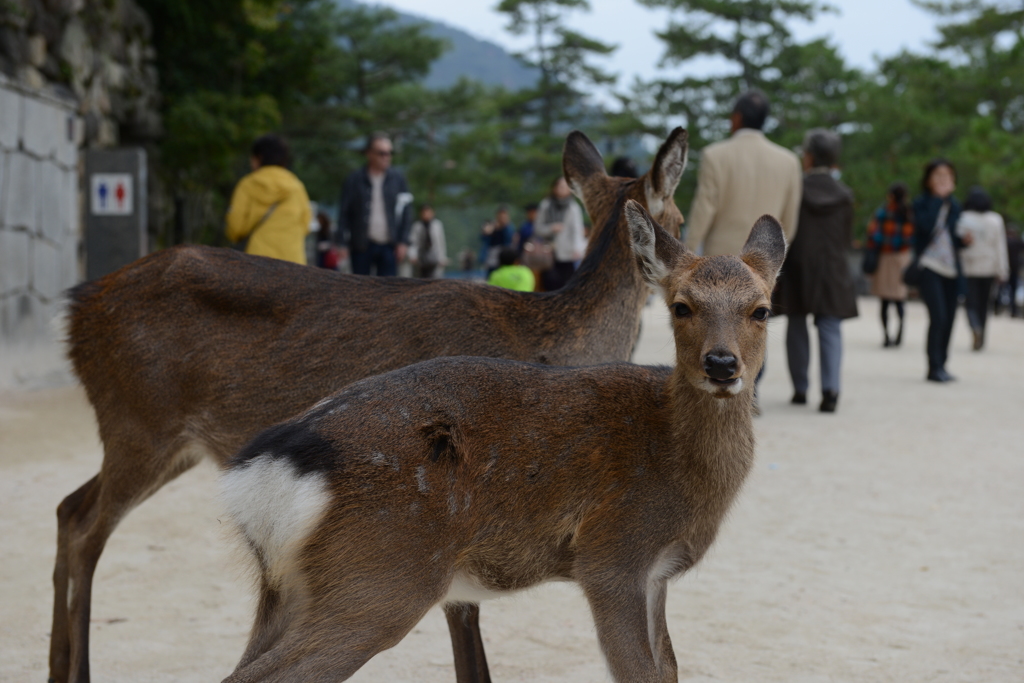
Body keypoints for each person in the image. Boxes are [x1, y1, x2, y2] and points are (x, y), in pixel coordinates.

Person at [777, 129, 858, 413]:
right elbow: (845, 238)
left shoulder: (797, 189)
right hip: (832, 267)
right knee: (830, 327)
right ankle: (830, 390)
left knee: (796, 323)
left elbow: (786, 226)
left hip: (799, 264)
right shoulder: (845, 195)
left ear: (808, 157)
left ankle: (800, 388)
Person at [685, 89, 802, 256]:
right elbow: (788, 226)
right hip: (763, 266)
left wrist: (688, 251)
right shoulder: (789, 162)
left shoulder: (715, 155)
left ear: (737, 117)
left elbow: (703, 211)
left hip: (720, 261)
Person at [912, 158, 972, 383]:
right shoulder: (921, 203)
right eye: (938, 176)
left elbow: (954, 240)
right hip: (929, 265)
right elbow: (924, 228)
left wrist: (965, 240)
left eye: (947, 176)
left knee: (949, 318)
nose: (943, 180)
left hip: (952, 269)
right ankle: (933, 366)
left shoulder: (955, 205)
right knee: (938, 317)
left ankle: (943, 364)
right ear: (928, 180)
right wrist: (938, 200)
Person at [336, 132, 413, 276]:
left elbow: (406, 212)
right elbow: (344, 212)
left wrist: (403, 241)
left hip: (390, 245)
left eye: (389, 153)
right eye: (381, 153)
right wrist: (342, 243)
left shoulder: (398, 179)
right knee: (360, 289)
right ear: (369, 154)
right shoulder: (354, 180)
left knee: (389, 290)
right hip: (361, 244)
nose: (386, 157)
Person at [226, 134, 312, 265]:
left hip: (257, 262)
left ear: (259, 158)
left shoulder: (248, 184)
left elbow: (235, 229)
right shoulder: (296, 186)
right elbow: (306, 225)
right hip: (293, 265)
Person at [957, 187, 1009, 350]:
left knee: (970, 303)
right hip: (988, 267)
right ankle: (982, 335)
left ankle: (974, 326)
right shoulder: (995, 220)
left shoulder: (963, 218)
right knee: (984, 304)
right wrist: (1002, 270)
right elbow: (1000, 247)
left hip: (969, 267)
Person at [865, 182, 915, 347]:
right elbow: (912, 236)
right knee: (900, 299)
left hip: (885, 258)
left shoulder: (883, 212)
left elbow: (874, 235)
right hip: (902, 258)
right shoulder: (909, 213)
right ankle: (900, 333)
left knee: (885, 300)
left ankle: (886, 336)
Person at [534, 177, 586, 290]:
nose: (561, 189)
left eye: (564, 186)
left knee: (566, 285)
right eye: (558, 186)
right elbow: (537, 228)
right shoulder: (546, 205)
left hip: (567, 254)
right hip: (547, 252)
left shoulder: (573, 207)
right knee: (549, 284)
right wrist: (551, 228)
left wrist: (578, 248)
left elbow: (577, 230)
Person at [408, 204, 448, 279]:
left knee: (435, 278)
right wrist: (413, 255)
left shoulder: (437, 225)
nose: (426, 215)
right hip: (421, 256)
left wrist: (442, 257)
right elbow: (413, 242)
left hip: (434, 255)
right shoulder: (417, 226)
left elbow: (441, 242)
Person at [482, 206, 515, 275]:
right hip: (492, 254)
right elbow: (484, 238)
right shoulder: (492, 225)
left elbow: (509, 238)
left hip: (504, 254)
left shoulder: (509, 227)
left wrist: (504, 226)